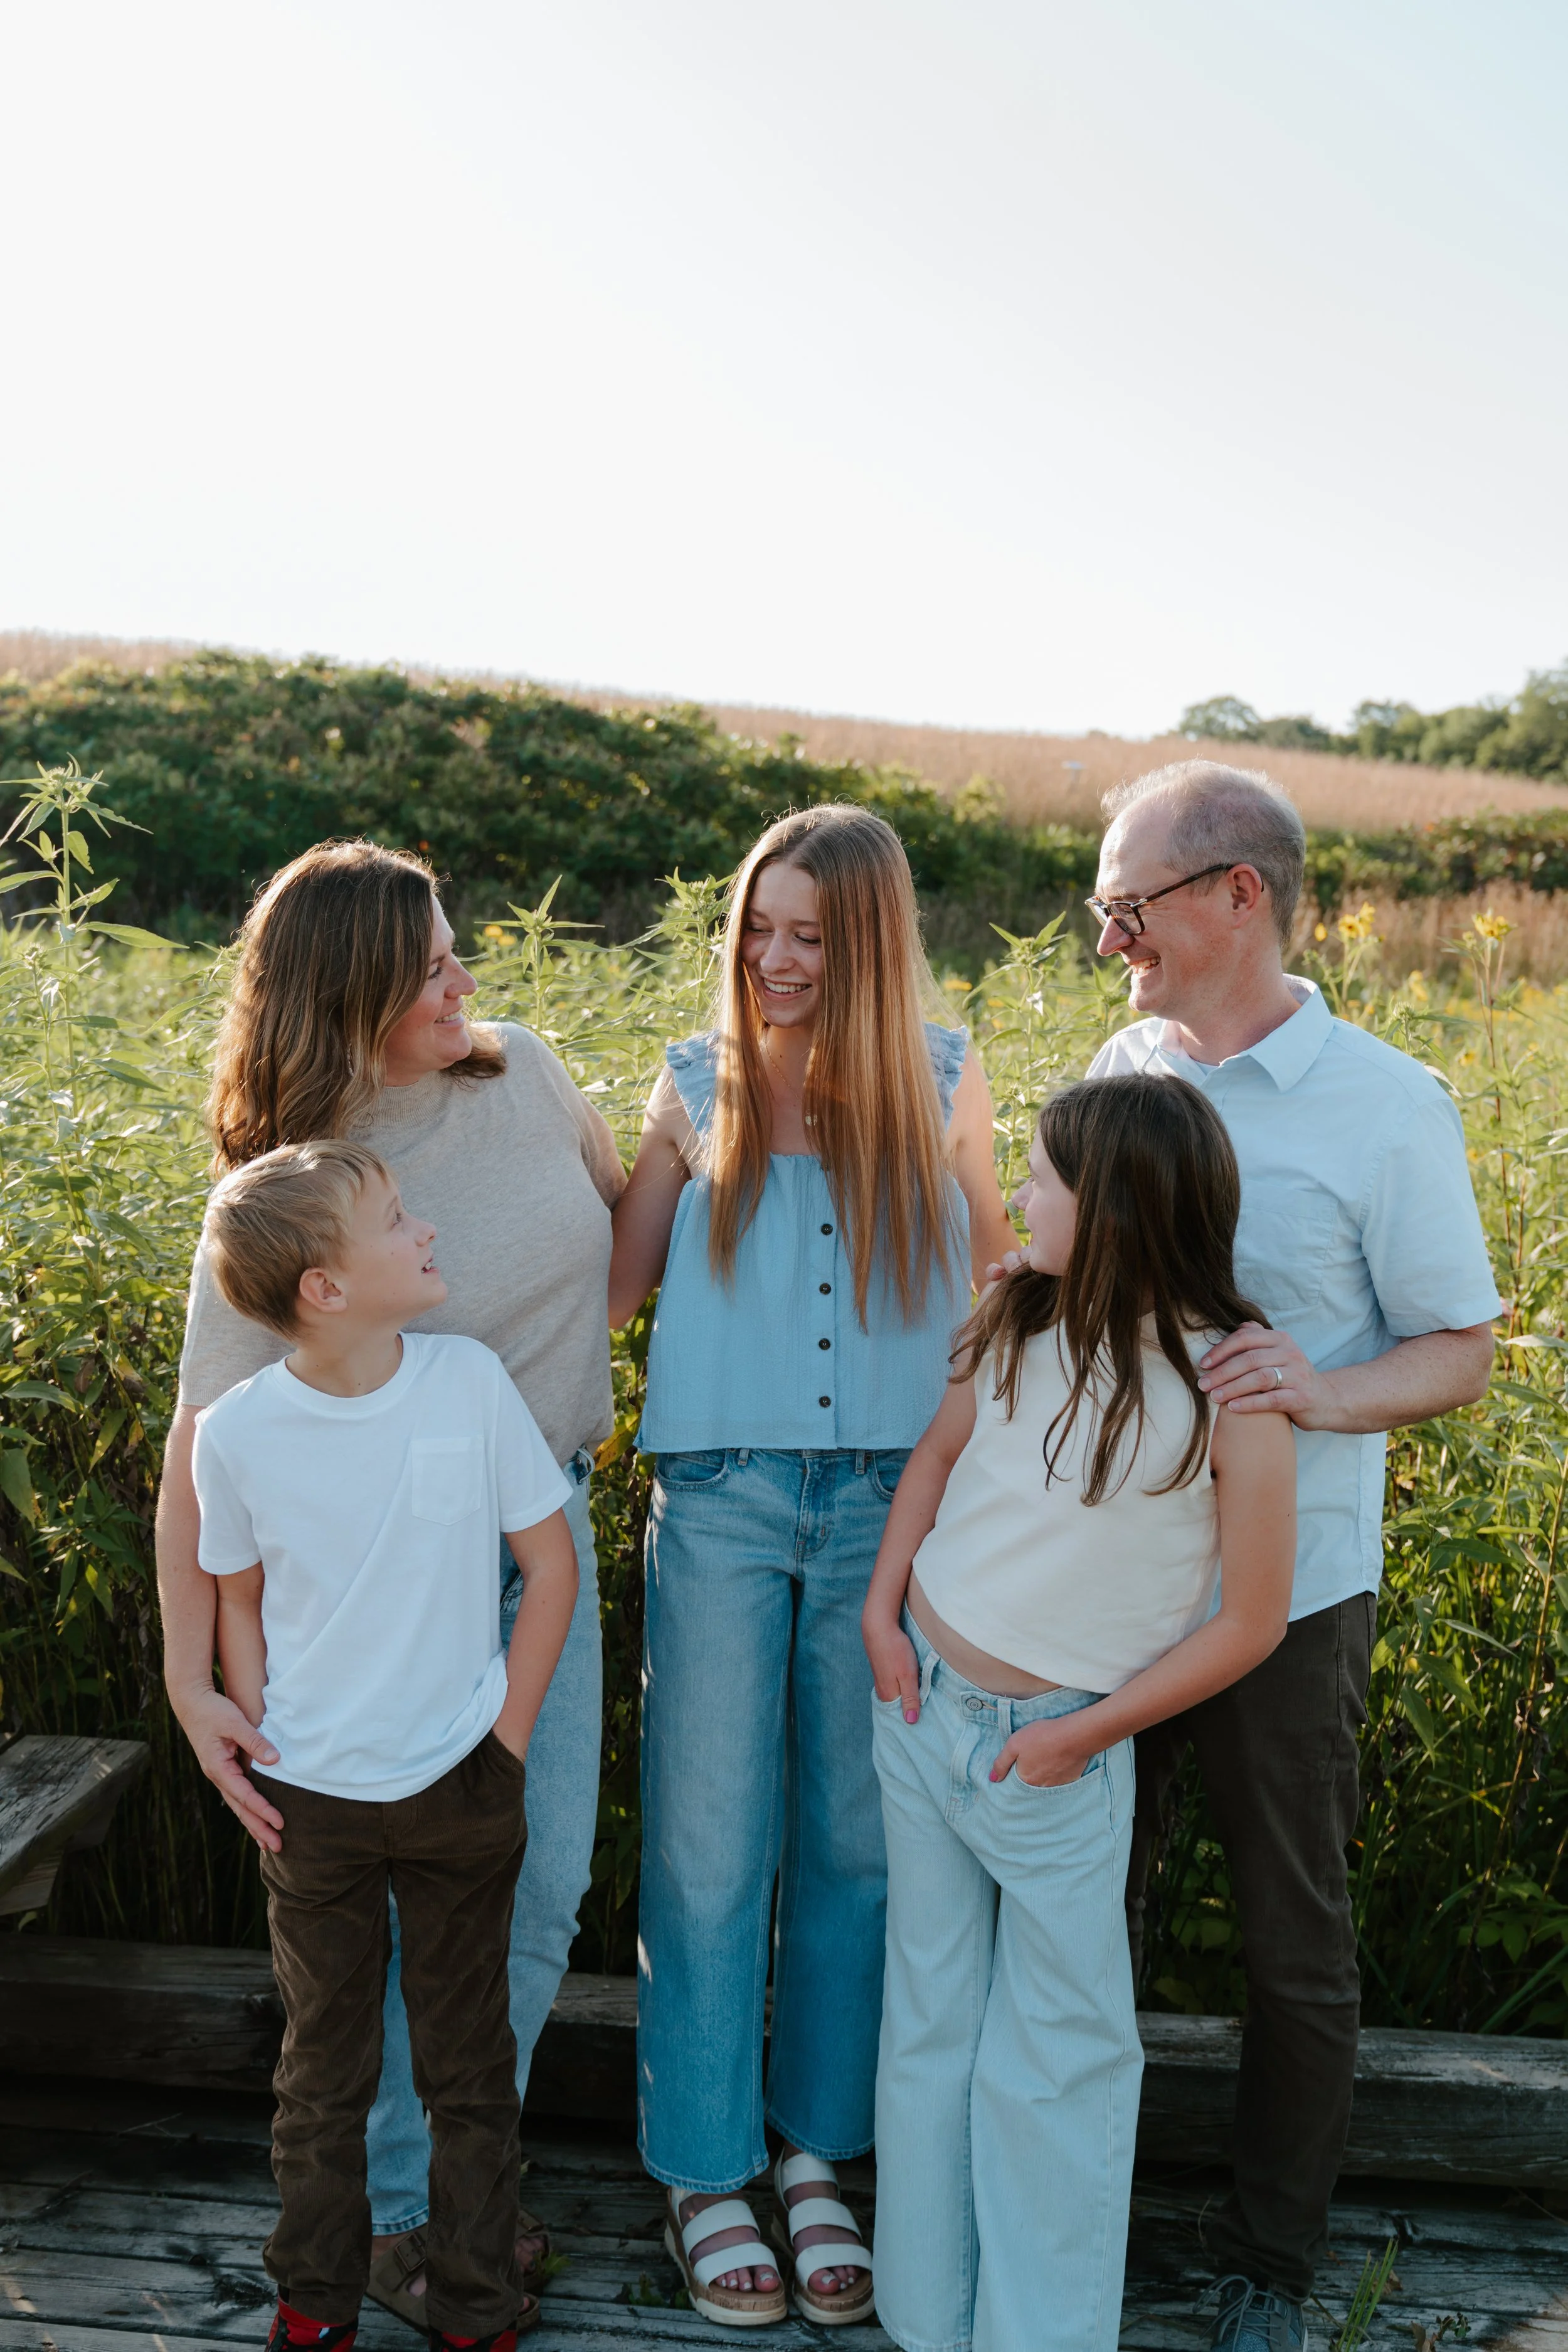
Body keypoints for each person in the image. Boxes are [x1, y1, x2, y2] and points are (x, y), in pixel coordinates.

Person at [156, 841, 626, 2333]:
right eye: (428, 966)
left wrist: (698, 1129)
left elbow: (619, 1231)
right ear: (344, 991)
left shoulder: (527, 1073)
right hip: (370, 1607)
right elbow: (202, 1457)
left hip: (538, 1554)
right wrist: (191, 1678)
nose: (463, 981)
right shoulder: (294, 1189)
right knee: (381, 1946)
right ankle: (409, 2224)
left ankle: (441, 2203)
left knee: (534, 1897)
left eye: (454, 949)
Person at [1078, 762, 1500, 2352]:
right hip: (1107, 1578)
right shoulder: (1126, 1061)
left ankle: (1265, 2262)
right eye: (1105, 909)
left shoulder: (1384, 1105)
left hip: (1288, 1592)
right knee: (1078, 1913)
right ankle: (1074, 2215)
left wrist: (1324, 1390)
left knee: (1288, 1935)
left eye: (1133, 906)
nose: (1112, 938)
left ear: (1235, 895)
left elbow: (1458, 1346)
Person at [608, 803, 1016, 2329]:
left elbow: (995, 1295)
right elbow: (604, 1288)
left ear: (873, 945)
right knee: (710, 1849)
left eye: (809, 936)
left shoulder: (949, 1077)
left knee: (856, 1845)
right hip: (715, 1495)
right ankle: (703, 2171)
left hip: (886, 1510)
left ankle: (814, 2157)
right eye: (756, 931)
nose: (775, 962)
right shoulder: (692, 1082)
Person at [863, 1075, 1296, 2352]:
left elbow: (1249, 1623)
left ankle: (1034, 2336)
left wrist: (1079, 1736)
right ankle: (926, 2320)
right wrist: (879, 1615)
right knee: (928, 2018)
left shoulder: (1229, 1386)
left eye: (1040, 1177)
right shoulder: (1012, 1312)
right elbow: (937, 1462)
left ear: (1107, 1205)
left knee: (1059, 2060)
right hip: (916, 1707)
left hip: (1051, 1754)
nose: (1018, 1194)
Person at [191, 1140, 578, 2352]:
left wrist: (505, 1743)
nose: (425, 1228)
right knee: (324, 2073)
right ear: (325, 1287)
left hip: (463, 1784)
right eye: (397, 1217)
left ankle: (473, 2306)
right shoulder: (238, 1432)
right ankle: (313, 2303)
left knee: (471, 2073)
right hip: (313, 1806)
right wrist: (270, 1742)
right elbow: (238, 1601)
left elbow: (549, 1566)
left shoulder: (468, 1381)